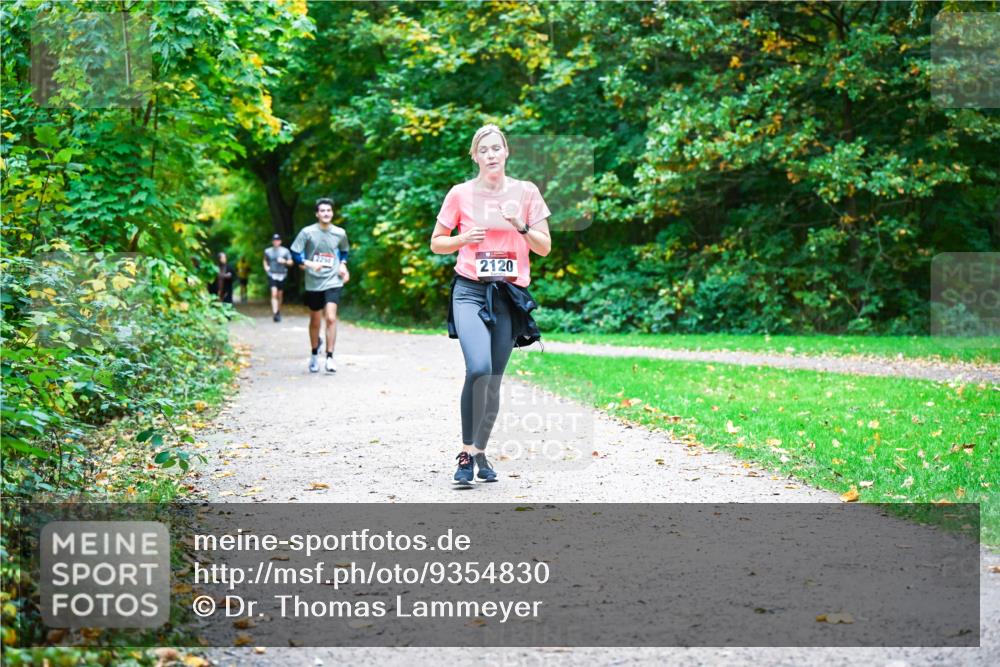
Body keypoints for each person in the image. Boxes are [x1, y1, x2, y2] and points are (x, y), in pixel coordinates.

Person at [430, 124, 551, 487]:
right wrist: (463, 238)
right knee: (479, 368)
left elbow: (544, 247)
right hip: (469, 289)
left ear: (506, 152)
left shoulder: (526, 192)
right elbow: (437, 243)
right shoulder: (460, 194)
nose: (491, 154)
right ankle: (465, 453)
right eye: (484, 150)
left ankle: (480, 450)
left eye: (497, 148)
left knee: (494, 383)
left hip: (507, 296)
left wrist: (521, 227)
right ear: (475, 156)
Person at [290, 197, 350, 373]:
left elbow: (345, 251)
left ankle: (330, 357)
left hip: (333, 280)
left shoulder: (340, 233)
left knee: (331, 318)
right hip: (314, 282)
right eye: (322, 211)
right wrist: (309, 264)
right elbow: (294, 253)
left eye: (329, 210)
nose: (326, 213)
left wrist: (343, 264)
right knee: (315, 321)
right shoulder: (307, 232)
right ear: (317, 214)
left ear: (332, 213)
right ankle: (315, 354)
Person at [263, 233, 293, 322]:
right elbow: (265, 260)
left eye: (277, 240)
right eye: (274, 240)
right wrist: (266, 267)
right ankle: (275, 313)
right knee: (274, 293)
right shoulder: (267, 251)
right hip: (272, 274)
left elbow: (291, 262)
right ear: (272, 242)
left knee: (280, 295)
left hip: (282, 274)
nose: (276, 242)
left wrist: (285, 261)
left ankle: (278, 311)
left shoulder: (285, 251)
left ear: (280, 241)